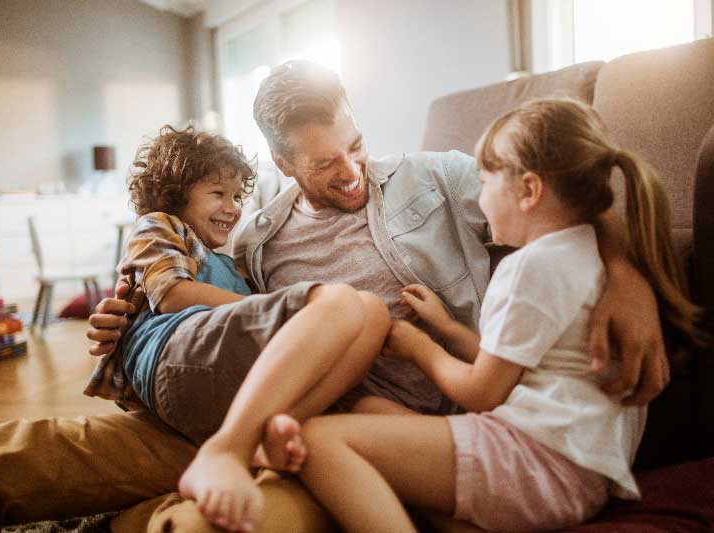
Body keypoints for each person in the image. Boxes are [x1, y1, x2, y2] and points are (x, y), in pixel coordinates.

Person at [0, 61, 668, 532]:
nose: (349, 171)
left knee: (227, 522)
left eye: (356, 145)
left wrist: (629, 273)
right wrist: (133, 314)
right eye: (323, 162)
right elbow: (214, 319)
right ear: (279, 162)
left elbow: (572, 189)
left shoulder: (439, 176)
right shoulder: (255, 238)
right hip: (295, 409)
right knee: (19, 454)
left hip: (409, 441)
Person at [295, 98, 706, 532]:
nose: (481, 195)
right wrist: (448, 329)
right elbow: (510, 364)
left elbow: (482, 393)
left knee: (318, 440)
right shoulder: (586, 253)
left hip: (536, 464)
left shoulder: (530, 266)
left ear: (528, 191)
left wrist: (420, 350)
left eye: (485, 180)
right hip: (582, 474)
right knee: (371, 410)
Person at [85, 124, 391, 532]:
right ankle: (229, 451)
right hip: (173, 355)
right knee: (338, 303)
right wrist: (279, 310)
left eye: (235, 197)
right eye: (217, 194)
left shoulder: (232, 264)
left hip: (213, 379)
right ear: (174, 194)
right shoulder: (159, 226)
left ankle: (257, 445)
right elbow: (173, 294)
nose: (232, 208)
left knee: (370, 314)